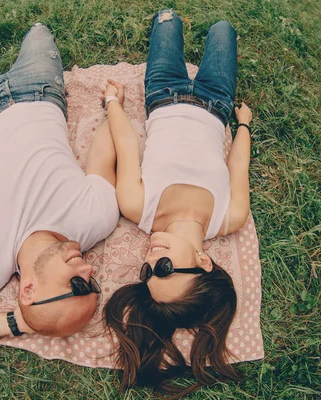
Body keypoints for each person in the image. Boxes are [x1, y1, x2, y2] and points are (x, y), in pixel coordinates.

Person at [101, 10, 253, 395]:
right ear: (203, 262)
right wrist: (244, 125)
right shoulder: (229, 217)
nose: (150, 261)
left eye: (146, 273)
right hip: (217, 104)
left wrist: (112, 104)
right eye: (165, 268)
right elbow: (237, 163)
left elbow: (127, 145)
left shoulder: (138, 208)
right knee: (223, 28)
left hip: (163, 93)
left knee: (166, 18)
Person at [0, 23, 120, 339]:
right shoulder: (97, 219)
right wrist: (113, 105)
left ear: (29, 289)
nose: (89, 270)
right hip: (42, 90)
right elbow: (103, 153)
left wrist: (21, 322)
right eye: (93, 282)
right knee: (38, 32)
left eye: (77, 284)